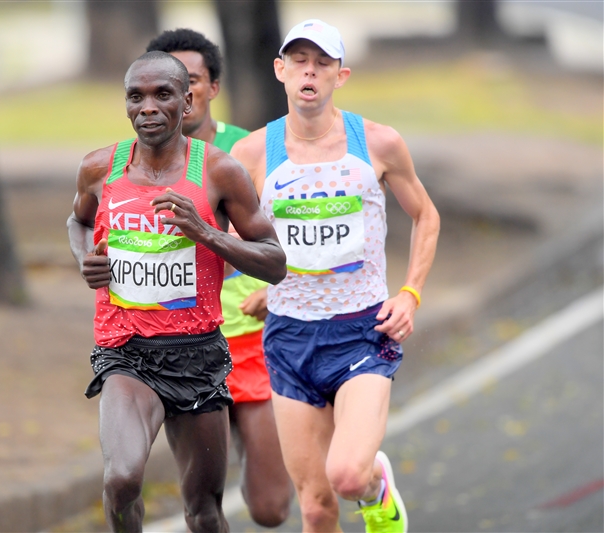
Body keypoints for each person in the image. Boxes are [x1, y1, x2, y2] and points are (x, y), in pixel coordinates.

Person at [231, 19, 440, 533]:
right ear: (280, 70)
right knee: (317, 505)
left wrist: (410, 294)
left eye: (322, 63)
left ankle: (376, 489)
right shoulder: (254, 154)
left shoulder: (378, 143)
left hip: (361, 332)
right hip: (288, 335)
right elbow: (233, 238)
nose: (310, 71)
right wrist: (266, 283)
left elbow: (426, 217)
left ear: (340, 76)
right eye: (299, 61)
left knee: (346, 476)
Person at [67, 50, 287, 533]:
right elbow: (78, 222)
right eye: (136, 96)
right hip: (125, 351)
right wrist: (87, 257)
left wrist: (207, 233)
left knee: (203, 512)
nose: (148, 107)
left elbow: (274, 262)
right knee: (121, 479)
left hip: (197, 356)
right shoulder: (99, 168)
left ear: (187, 102)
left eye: (162, 95)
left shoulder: (219, 171)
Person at [146, 28, 292, 527]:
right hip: (181, 346)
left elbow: (289, 237)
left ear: (212, 87)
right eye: (167, 81)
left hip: (251, 340)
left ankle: (252, 442)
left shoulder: (246, 153)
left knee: (271, 508)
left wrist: (281, 293)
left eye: (192, 81)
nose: (181, 94)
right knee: (202, 507)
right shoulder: (131, 162)